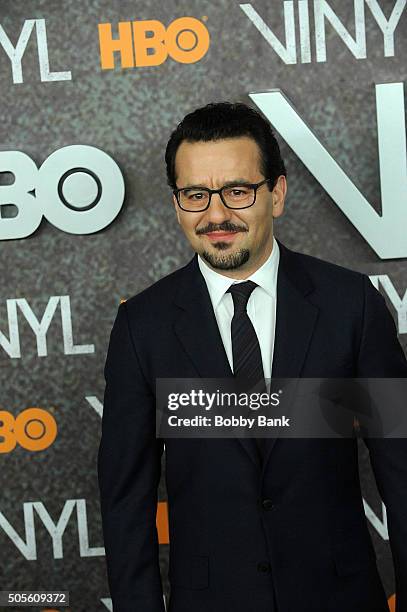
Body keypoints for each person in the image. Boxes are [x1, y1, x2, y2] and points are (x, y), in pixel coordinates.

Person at [98, 102, 407, 612]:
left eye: (237, 191)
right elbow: (126, 499)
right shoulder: (142, 327)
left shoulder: (350, 305)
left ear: (277, 193)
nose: (216, 214)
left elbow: (399, 465)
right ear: (177, 202)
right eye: (195, 194)